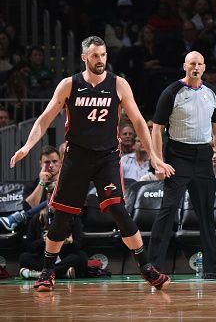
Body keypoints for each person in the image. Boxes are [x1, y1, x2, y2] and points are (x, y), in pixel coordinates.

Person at [10, 36, 175, 292]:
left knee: (119, 210)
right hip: (76, 158)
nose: (101, 60)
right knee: (63, 216)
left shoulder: (119, 84)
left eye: (104, 55)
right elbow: (44, 120)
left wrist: (154, 156)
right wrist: (27, 146)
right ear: (84, 57)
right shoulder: (69, 85)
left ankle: (146, 267)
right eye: (95, 56)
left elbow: (140, 122)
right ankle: (46, 271)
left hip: (107, 157)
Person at [148, 51, 216, 280]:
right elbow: (157, 128)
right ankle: (153, 267)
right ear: (185, 65)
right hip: (178, 156)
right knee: (168, 210)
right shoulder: (172, 91)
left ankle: (212, 268)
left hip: (204, 157)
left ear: (204, 68)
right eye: (192, 63)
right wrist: (158, 161)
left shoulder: (212, 93)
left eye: (200, 64)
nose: (196, 67)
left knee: (207, 214)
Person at [1, 145, 62, 232]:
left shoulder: (66, 183)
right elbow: (29, 207)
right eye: (47, 162)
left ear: (60, 162)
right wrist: (42, 182)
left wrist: (47, 209)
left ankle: (20, 216)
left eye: (54, 161)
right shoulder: (32, 185)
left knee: (60, 195)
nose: (51, 165)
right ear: (41, 164)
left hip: (63, 221)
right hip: (39, 226)